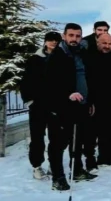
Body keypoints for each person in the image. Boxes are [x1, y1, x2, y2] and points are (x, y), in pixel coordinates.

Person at [45, 23, 97, 191]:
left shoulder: (81, 54)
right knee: (59, 143)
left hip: (80, 106)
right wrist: (68, 93)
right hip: (61, 107)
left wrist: (89, 101)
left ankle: (77, 170)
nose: (74, 39)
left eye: (77, 36)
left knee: (77, 140)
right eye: (71, 35)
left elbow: (87, 79)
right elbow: (50, 83)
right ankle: (58, 177)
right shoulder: (57, 56)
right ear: (64, 36)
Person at [20, 31, 62, 180]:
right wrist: (29, 100)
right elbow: (25, 81)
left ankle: (53, 164)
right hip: (37, 105)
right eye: (51, 40)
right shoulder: (35, 59)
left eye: (56, 40)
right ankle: (37, 166)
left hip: (55, 105)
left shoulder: (62, 58)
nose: (53, 43)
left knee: (56, 138)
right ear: (45, 41)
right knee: (37, 137)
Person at [84, 33, 111, 170]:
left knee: (108, 131)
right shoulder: (90, 58)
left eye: (110, 44)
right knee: (92, 133)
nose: (107, 46)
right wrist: (89, 102)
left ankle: (105, 157)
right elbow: (87, 81)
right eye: (104, 43)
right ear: (97, 43)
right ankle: (90, 160)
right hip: (95, 102)